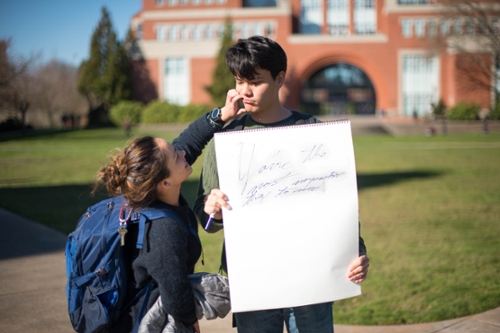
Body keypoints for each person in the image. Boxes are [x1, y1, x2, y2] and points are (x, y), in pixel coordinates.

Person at [193, 36, 370, 333]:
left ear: (280, 79)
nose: (244, 91)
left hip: (312, 277)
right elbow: (206, 220)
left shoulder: (312, 130)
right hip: (254, 280)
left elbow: (338, 203)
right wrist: (214, 211)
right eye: (238, 81)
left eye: (255, 81)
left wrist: (358, 251)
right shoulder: (224, 139)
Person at [93, 108, 243, 333]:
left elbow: (189, 142)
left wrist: (220, 114)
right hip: (146, 323)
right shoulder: (164, 229)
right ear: (165, 182)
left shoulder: (160, 189)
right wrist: (193, 325)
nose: (183, 153)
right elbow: (176, 295)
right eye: (176, 155)